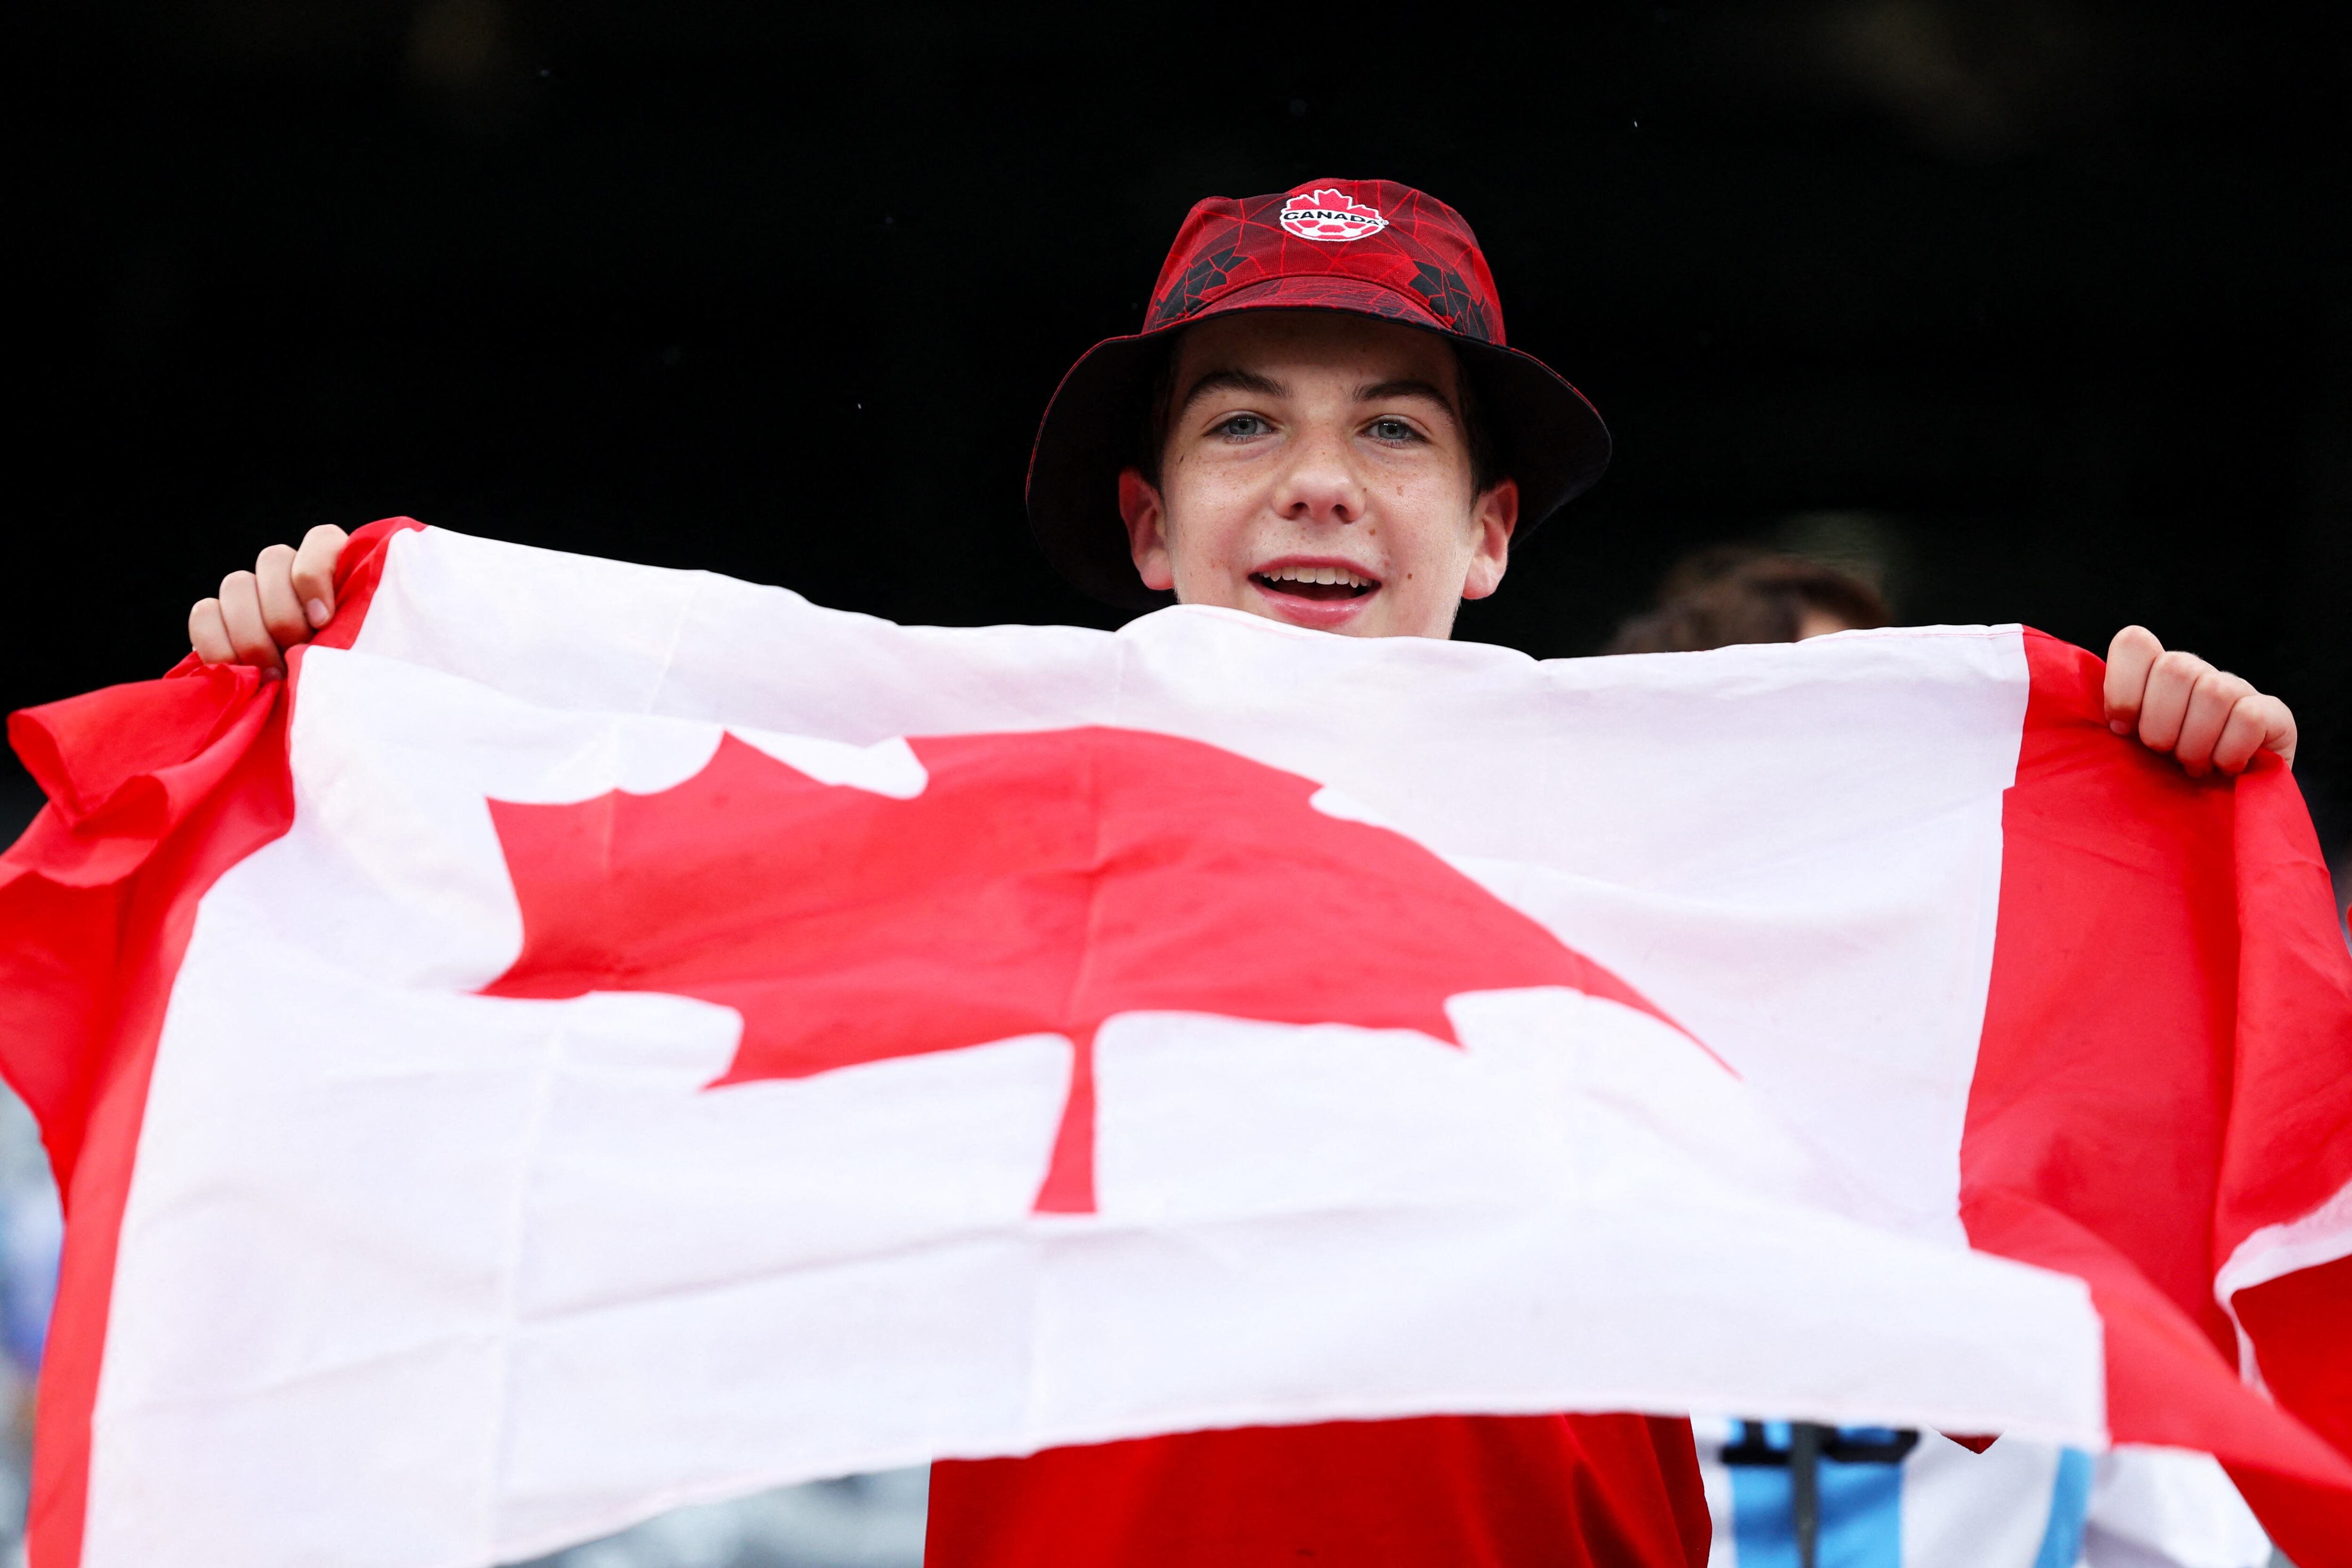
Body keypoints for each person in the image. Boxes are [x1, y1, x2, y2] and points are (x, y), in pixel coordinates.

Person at [180, 180, 2300, 1568]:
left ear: (1484, 540)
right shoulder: (935, 818)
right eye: (1239, 427)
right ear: (1139, 518)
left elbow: (2050, 1145)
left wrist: (2151, 793)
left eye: (1392, 431)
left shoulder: (1677, 870)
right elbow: (513, 978)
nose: (1313, 482)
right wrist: (337, 705)